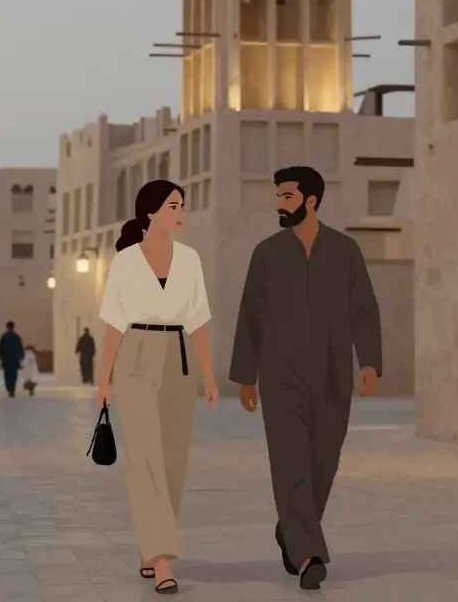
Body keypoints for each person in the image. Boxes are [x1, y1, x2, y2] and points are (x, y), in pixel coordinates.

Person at [230, 165, 382, 591]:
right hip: (280, 376)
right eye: (277, 196)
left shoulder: (345, 250)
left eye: (287, 196)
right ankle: (308, 555)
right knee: (290, 461)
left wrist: (369, 362)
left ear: (310, 201)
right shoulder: (266, 253)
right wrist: (246, 376)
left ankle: (292, 528)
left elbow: (364, 308)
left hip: (333, 373)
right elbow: (250, 315)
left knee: (323, 462)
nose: (279, 204)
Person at [97, 179, 220, 596]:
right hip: (136, 354)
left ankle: (148, 547)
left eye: (182, 205)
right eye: (172, 205)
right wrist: (104, 377)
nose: (181, 212)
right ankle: (163, 558)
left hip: (179, 357)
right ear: (150, 212)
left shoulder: (190, 259)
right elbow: (114, 322)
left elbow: (198, 320)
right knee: (145, 457)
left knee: (171, 462)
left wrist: (208, 375)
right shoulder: (126, 262)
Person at [0, 321, 25, 398]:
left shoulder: (4, 337)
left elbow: (0, 347)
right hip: (14, 359)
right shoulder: (16, 337)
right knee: (14, 375)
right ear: (13, 327)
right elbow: (20, 347)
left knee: (7, 374)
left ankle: (9, 389)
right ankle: (12, 389)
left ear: (7, 327)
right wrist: (21, 356)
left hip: (6, 359)